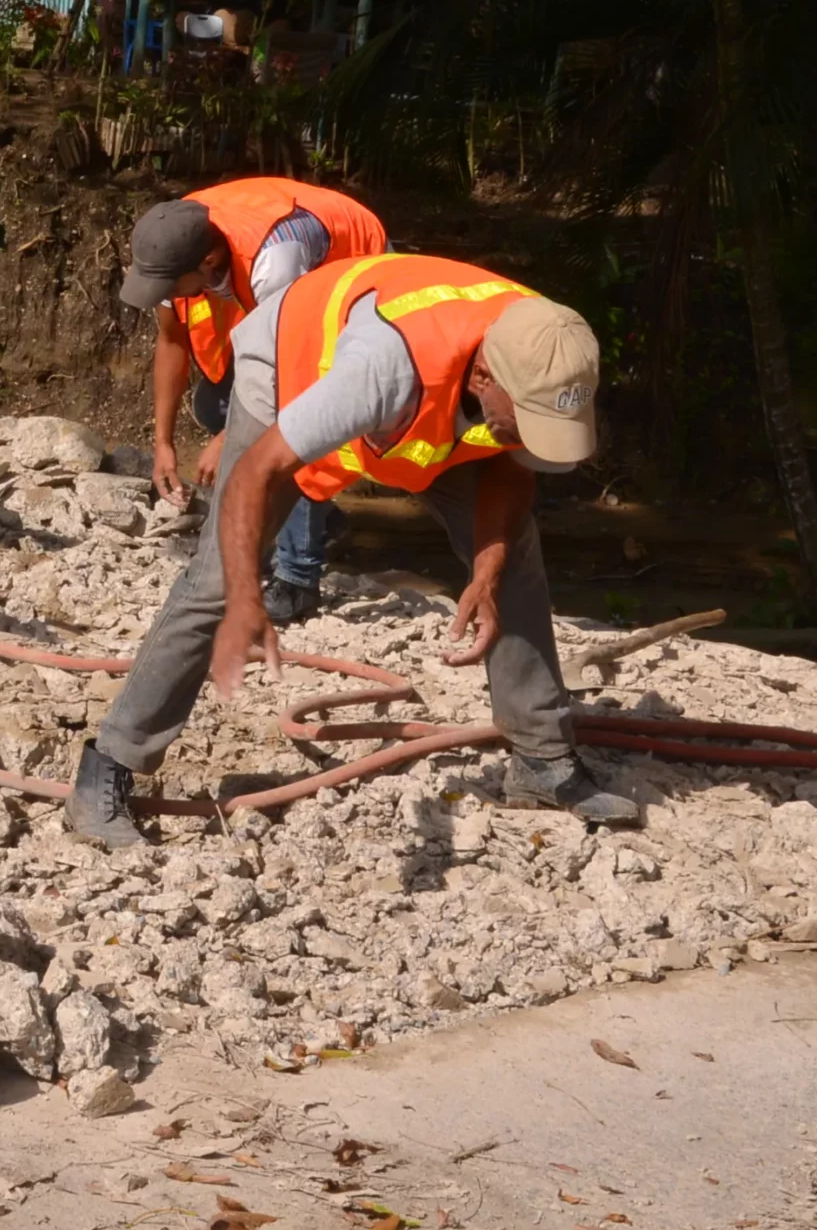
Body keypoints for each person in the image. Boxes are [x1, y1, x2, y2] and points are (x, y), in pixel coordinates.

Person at [68, 252, 639, 846]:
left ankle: (541, 758)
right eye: (523, 422)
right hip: (292, 369)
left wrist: (486, 574)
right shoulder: (381, 369)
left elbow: (511, 467)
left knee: (510, 552)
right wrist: (245, 595)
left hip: (418, 410)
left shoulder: (542, 348)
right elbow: (254, 474)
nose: (529, 438)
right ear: (484, 380)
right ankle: (106, 770)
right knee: (218, 580)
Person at [121, 179, 388, 624]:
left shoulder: (275, 264)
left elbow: (293, 377)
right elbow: (172, 341)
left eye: (173, 284)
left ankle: (298, 579)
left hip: (353, 272)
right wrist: (163, 442)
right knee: (214, 406)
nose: (166, 291)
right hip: (274, 287)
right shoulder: (173, 243)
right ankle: (321, 521)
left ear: (208, 264)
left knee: (295, 429)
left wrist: (231, 438)